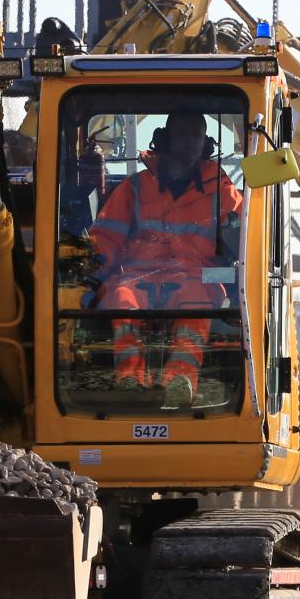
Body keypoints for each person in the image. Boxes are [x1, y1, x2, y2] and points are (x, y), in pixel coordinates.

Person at [89, 109, 244, 407]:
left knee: (196, 304)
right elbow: (106, 237)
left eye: (196, 136)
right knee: (121, 299)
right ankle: (131, 380)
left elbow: (248, 233)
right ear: (166, 138)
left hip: (196, 277)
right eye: (183, 134)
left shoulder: (222, 191)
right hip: (138, 276)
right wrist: (91, 275)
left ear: (205, 144)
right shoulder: (134, 188)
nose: (189, 142)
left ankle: (179, 381)